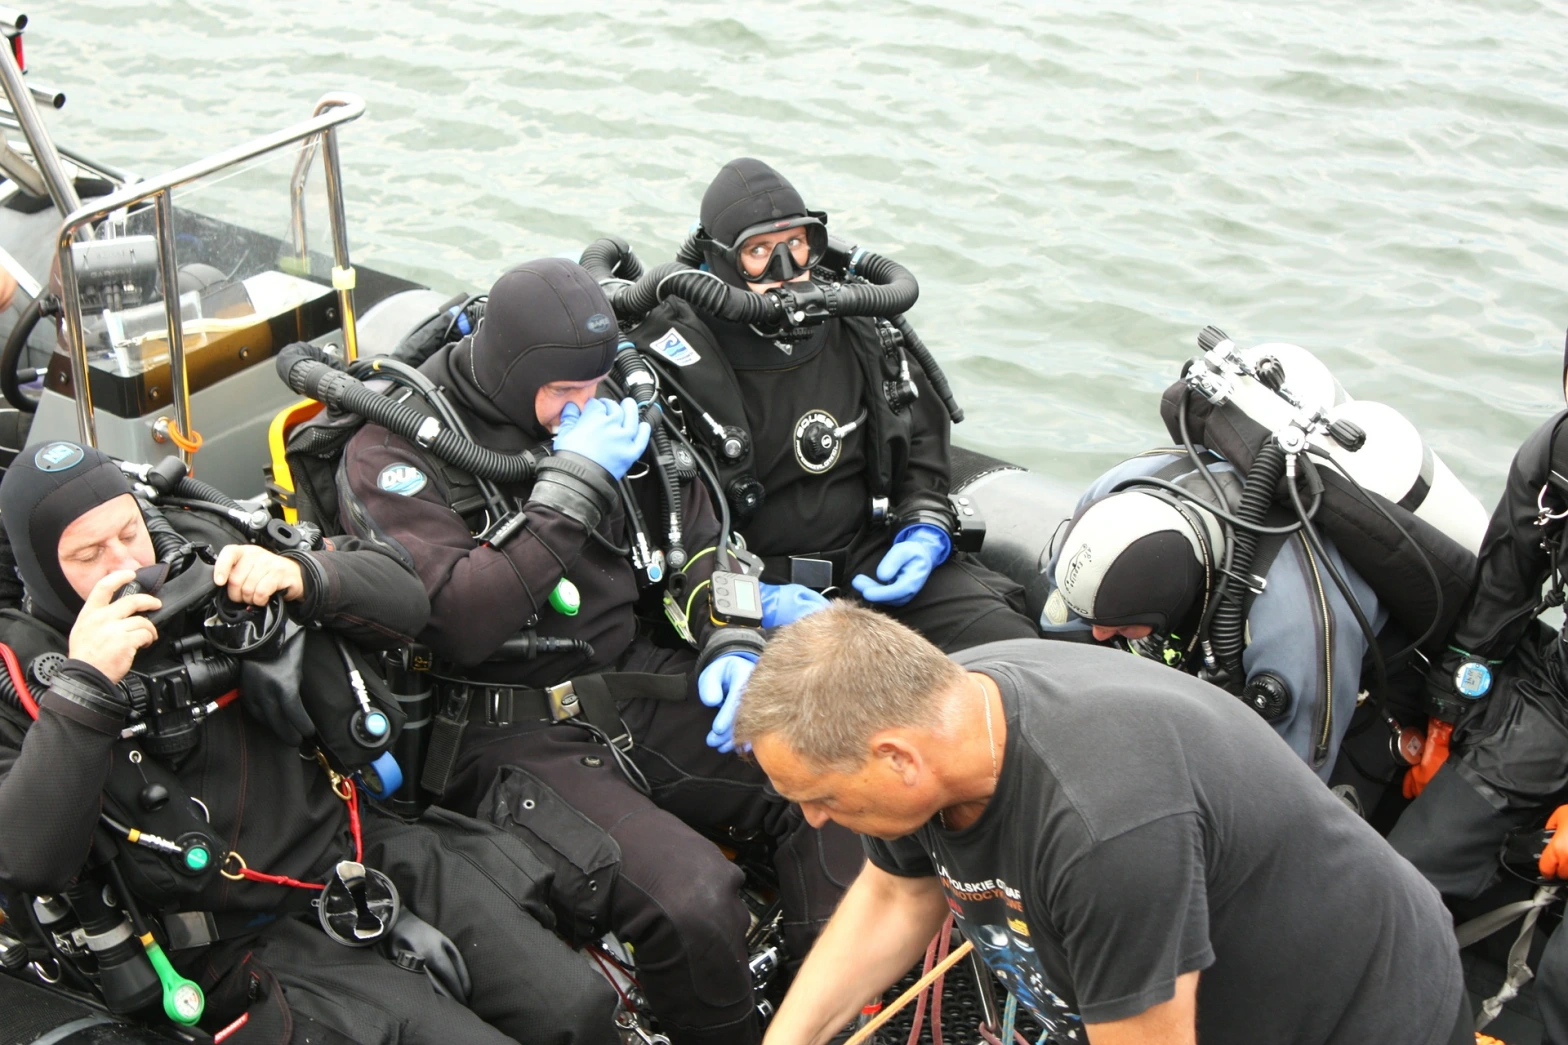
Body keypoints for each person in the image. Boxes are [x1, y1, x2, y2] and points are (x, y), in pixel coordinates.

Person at [335, 257, 859, 1045]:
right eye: (565, 393)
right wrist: (574, 482)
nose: (585, 406)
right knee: (692, 894)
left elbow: (699, 544)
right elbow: (458, 620)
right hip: (501, 727)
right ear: (511, 372)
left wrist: (729, 637)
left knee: (837, 774)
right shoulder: (393, 454)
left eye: (595, 382)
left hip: (631, 677)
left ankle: (814, 1006)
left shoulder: (610, 403)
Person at [0, 441, 618, 1044]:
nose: (123, 564)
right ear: (42, 569)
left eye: (128, 532)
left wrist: (304, 574)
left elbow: (405, 599)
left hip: (356, 847)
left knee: (575, 1005)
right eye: (88, 554)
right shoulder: (26, 677)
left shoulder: (211, 557)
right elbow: (28, 860)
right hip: (228, 937)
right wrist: (83, 691)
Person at [732, 604, 1468, 1045]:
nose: (812, 817)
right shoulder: (940, 712)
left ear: (896, 757)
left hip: (1354, 1014)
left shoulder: (1102, 830)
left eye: (820, 795)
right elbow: (897, 894)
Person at [620, 158, 1039, 652]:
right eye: (758, 252)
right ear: (717, 258)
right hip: (752, 584)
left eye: (795, 245)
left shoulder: (858, 324)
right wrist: (753, 601)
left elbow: (922, 443)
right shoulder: (669, 357)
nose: (783, 271)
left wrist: (924, 525)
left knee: (1010, 643)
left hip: (871, 560)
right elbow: (661, 514)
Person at [1037, 450, 1385, 782]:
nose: (1099, 634)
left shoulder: (1295, 634)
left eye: (1120, 625)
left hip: (1360, 680)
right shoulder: (1120, 487)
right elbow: (1064, 620)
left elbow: (1289, 783)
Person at [1387, 405, 1568, 1042]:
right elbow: (1503, 591)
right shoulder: (1557, 455)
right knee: (1401, 877)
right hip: (1561, 694)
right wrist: (1445, 727)